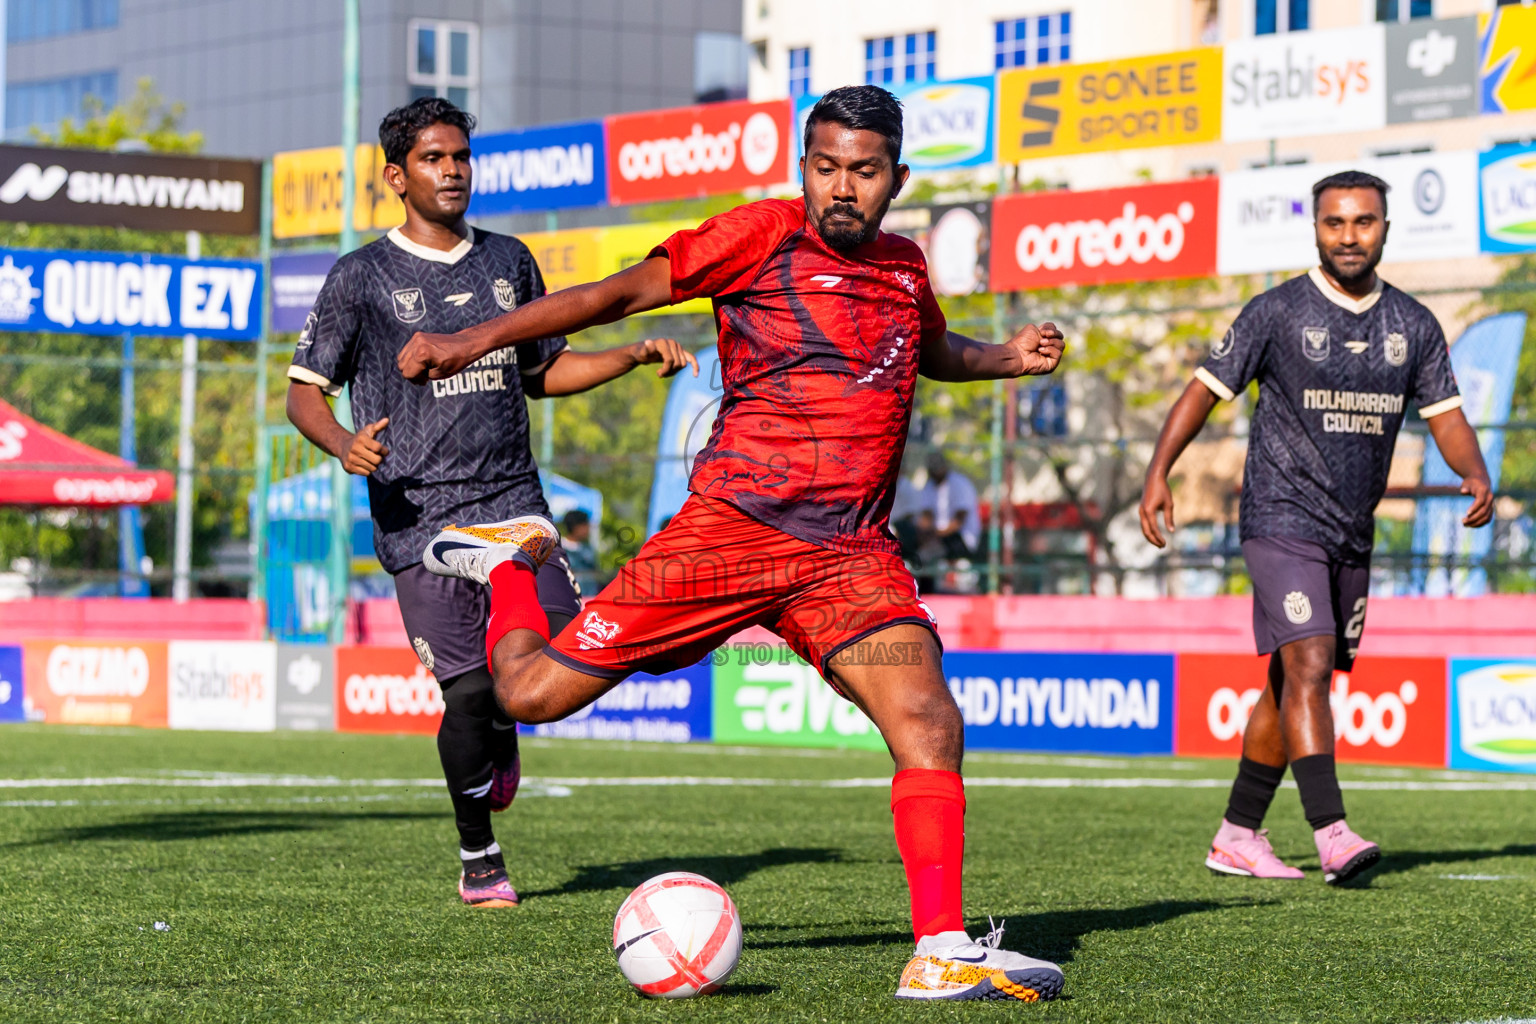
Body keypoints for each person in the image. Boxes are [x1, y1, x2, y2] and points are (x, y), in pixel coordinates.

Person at [399, 85, 1068, 1002]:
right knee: (527, 694)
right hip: (732, 534)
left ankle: (941, 949)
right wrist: (469, 340)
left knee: (929, 721)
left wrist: (1010, 358)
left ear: (898, 178)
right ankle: (512, 561)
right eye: (826, 167)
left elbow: (932, 350)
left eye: (864, 171)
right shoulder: (759, 235)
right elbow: (616, 294)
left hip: (848, 556)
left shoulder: (905, 267)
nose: (843, 187)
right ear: (805, 168)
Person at [284, 97, 695, 909]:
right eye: (433, 159)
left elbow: (543, 373)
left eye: (461, 157)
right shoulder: (360, 276)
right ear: (396, 176)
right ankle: (480, 854)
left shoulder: (509, 260)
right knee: (470, 694)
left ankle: (508, 721)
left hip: (513, 503)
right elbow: (303, 394)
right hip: (419, 518)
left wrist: (628, 354)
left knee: (554, 661)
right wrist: (342, 443)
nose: (452, 171)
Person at [1139, 170, 1493, 884]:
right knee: (1309, 659)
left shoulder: (1414, 325)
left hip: (1351, 531)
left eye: (1363, 222)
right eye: (1335, 223)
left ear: (1385, 228)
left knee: (1291, 676)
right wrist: (1158, 470)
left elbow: (1446, 415)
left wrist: (1477, 471)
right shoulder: (1275, 311)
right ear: (1316, 229)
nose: (1349, 236)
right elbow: (1202, 392)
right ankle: (1331, 832)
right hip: (1279, 515)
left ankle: (1236, 835)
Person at [917, 450, 979, 560]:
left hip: (961, 538)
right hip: (939, 537)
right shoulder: (929, 485)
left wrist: (935, 535)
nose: (936, 472)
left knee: (931, 554)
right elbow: (926, 517)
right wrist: (924, 534)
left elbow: (958, 521)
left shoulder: (959, 483)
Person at [560, 508, 598, 589]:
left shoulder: (588, 549)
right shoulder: (559, 549)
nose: (588, 528)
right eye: (585, 525)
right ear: (575, 527)